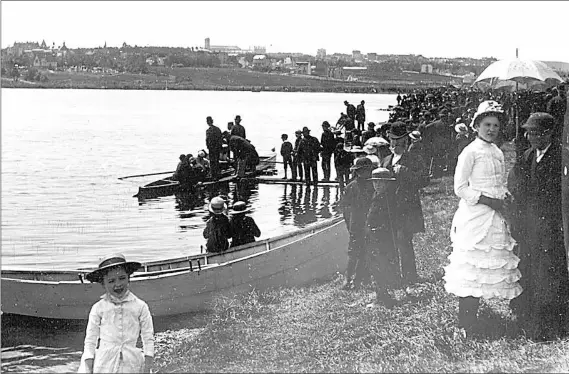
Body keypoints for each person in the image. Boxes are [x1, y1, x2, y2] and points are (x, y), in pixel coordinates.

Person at [443, 101, 522, 336]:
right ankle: (465, 323)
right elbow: (460, 188)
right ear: (476, 126)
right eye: (486, 124)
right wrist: (488, 201)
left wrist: (504, 199)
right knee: (472, 268)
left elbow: (498, 182)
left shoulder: (497, 151)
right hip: (477, 215)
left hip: (497, 216)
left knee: (493, 264)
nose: (491, 129)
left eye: (495, 125)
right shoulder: (470, 151)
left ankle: (484, 319)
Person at [508, 112, 569, 341]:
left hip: (552, 226)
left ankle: (552, 323)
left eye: (536, 133)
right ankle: (529, 316)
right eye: (528, 132)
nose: (530, 136)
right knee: (529, 269)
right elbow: (516, 187)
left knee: (550, 273)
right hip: (530, 225)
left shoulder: (561, 157)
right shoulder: (526, 156)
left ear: (550, 133)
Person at [78, 254, 154, 373]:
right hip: (104, 363)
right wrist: (88, 367)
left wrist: (147, 367)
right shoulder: (98, 308)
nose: (118, 284)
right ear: (103, 284)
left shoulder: (140, 306)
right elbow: (90, 340)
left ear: (129, 278)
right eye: (111, 281)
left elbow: (148, 338)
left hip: (131, 363)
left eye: (122, 278)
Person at [380, 121, 428, 285]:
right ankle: (393, 276)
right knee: (389, 242)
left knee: (403, 242)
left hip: (406, 208)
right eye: (393, 140)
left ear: (405, 141)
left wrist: (405, 172)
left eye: (399, 141)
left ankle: (410, 277)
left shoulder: (414, 158)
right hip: (388, 208)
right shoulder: (386, 160)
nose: (395, 144)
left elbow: (424, 180)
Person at [364, 167, 401, 308]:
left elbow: (390, 221)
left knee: (380, 266)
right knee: (376, 266)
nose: (377, 185)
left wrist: (376, 230)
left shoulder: (387, 199)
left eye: (380, 182)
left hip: (381, 238)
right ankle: (381, 294)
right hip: (374, 237)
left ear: (387, 183)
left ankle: (383, 298)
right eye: (375, 182)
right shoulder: (377, 195)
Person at [339, 157, 375, 290]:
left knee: (367, 251)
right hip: (356, 224)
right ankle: (347, 279)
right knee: (354, 252)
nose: (363, 173)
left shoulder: (373, 185)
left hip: (370, 223)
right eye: (360, 171)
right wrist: (350, 225)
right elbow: (345, 208)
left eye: (365, 170)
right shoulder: (351, 187)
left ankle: (361, 278)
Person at [205, 116, 223, 180]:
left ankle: (215, 176)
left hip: (213, 148)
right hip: (214, 148)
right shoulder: (216, 129)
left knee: (213, 162)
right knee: (215, 162)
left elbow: (207, 140)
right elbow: (220, 139)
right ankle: (216, 175)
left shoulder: (211, 130)